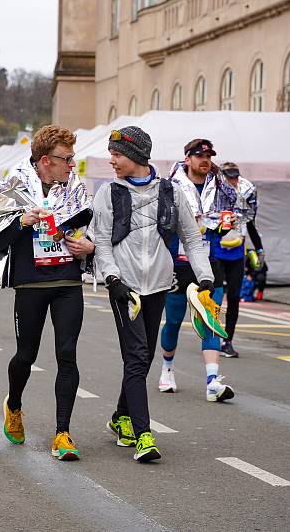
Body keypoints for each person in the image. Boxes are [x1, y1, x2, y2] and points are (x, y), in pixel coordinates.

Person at [92, 127, 215, 462]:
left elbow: (192, 238)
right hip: (125, 288)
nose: (112, 160)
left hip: (159, 285)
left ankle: (120, 417)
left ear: (136, 155)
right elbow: (101, 242)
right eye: (111, 153)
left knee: (144, 357)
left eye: (117, 153)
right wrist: (112, 279)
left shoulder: (171, 192)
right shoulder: (108, 193)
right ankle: (144, 434)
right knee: (135, 356)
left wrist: (205, 278)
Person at [0, 125, 93, 461]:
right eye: (67, 159)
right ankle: (13, 404)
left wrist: (88, 247)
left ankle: (63, 433)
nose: (72, 165)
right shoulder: (12, 187)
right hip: (31, 284)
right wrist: (21, 223)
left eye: (73, 158)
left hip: (67, 283)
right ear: (46, 160)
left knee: (67, 354)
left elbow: (94, 230)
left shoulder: (77, 189)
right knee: (26, 356)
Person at [158, 139, 236, 401]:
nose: (205, 160)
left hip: (210, 262)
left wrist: (226, 225)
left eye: (209, 156)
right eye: (199, 155)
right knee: (174, 320)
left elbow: (235, 211)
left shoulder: (221, 186)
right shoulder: (171, 184)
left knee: (211, 321)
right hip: (179, 262)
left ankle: (212, 382)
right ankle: (167, 369)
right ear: (187, 158)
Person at [214, 161, 265, 358]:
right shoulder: (214, 191)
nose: (233, 180)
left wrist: (259, 249)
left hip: (237, 253)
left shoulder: (245, 193)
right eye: (229, 176)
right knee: (216, 296)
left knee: (234, 297)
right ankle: (213, 336)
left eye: (235, 176)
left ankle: (228, 341)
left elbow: (251, 224)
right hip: (217, 252)